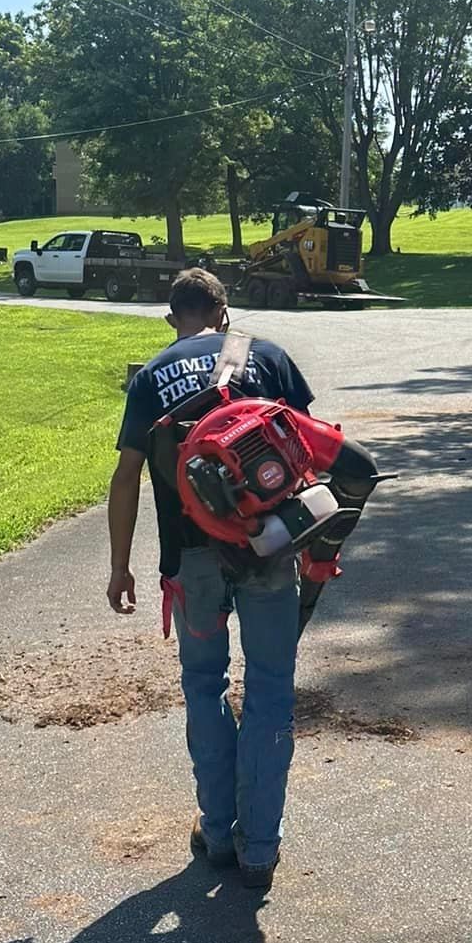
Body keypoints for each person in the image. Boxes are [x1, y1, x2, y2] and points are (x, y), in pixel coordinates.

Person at [107, 267, 314, 894]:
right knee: (272, 688)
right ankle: (261, 848)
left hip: (192, 559)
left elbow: (125, 480)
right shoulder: (270, 359)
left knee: (204, 685)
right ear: (224, 314)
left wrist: (120, 565)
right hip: (270, 550)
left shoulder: (150, 377)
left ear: (173, 318)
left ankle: (218, 832)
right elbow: (310, 454)